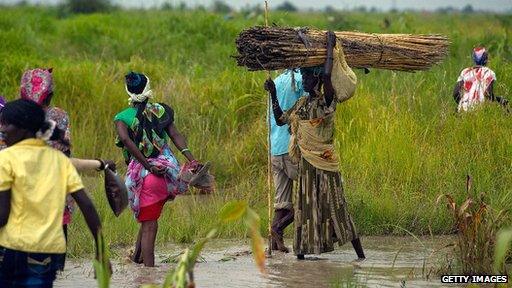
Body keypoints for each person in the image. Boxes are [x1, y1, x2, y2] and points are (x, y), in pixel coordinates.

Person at [264, 31, 365, 260]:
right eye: (304, 75)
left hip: (326, 165)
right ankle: (302, 256)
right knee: (306, 210)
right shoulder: (302, 104)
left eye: (309, 75)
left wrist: (329, 48)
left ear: (317, 79)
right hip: (307, 165)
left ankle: (360, 256)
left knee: (337, 208)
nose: (305, 78)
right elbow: (281, 119)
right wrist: (273, 95)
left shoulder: (327, 101)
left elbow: (328, 76)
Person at [0, 99, 103, 287]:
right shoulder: (59, 160)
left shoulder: (6, 158)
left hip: (16, 249)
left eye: (7, 124)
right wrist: (101, 251)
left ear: (24, 128)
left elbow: (3, 215)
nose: (3, 129)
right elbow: (87, 205)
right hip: (49, 253)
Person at [18, 68, 115, 238]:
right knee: (55, 258)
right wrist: (100, 164)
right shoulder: (58, 116)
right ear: (49, 95)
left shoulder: (10, 116)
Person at [114, 72, 195, 267]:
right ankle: (136, 258)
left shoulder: (123, 117)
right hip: (167, 174)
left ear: (129, 92)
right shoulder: (160, 110)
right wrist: (191, 159)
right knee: (148, 219)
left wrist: (147, 164)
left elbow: (124, 140)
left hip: (145, 177)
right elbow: (175, 134)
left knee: (149, 225)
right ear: (148, 88)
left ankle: (148, 273)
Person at [268, 69, 303, 253]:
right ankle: (278, 228)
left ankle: (274, 245)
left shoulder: (276, 80)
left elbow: (275, 117)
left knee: (281, 202)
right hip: (292, 149)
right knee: (311, 190)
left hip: (275, 149)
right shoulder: (300, 80)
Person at [453, 47, 509, 112]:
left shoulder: (465, 71)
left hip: (463, 109)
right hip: (480, 110)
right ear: (486, 59)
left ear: (473, 58)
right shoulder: (489, 73)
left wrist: (461, 103)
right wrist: (499, 100)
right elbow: (488, 94)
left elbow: (455, 93)